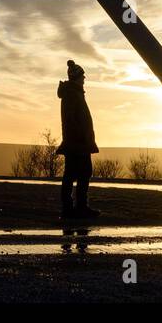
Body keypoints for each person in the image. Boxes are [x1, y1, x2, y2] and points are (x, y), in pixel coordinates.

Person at [56, 59, 100, 218]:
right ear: (76, 77)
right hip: (77, 143)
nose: (84, 79)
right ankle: (73, 208)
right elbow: (73, 120)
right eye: (82, 76)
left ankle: (76, 207)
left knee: (78, 174)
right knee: (77, 174)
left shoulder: (73, 94)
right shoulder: (72, 95)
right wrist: (82, 139)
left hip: (78, 142)